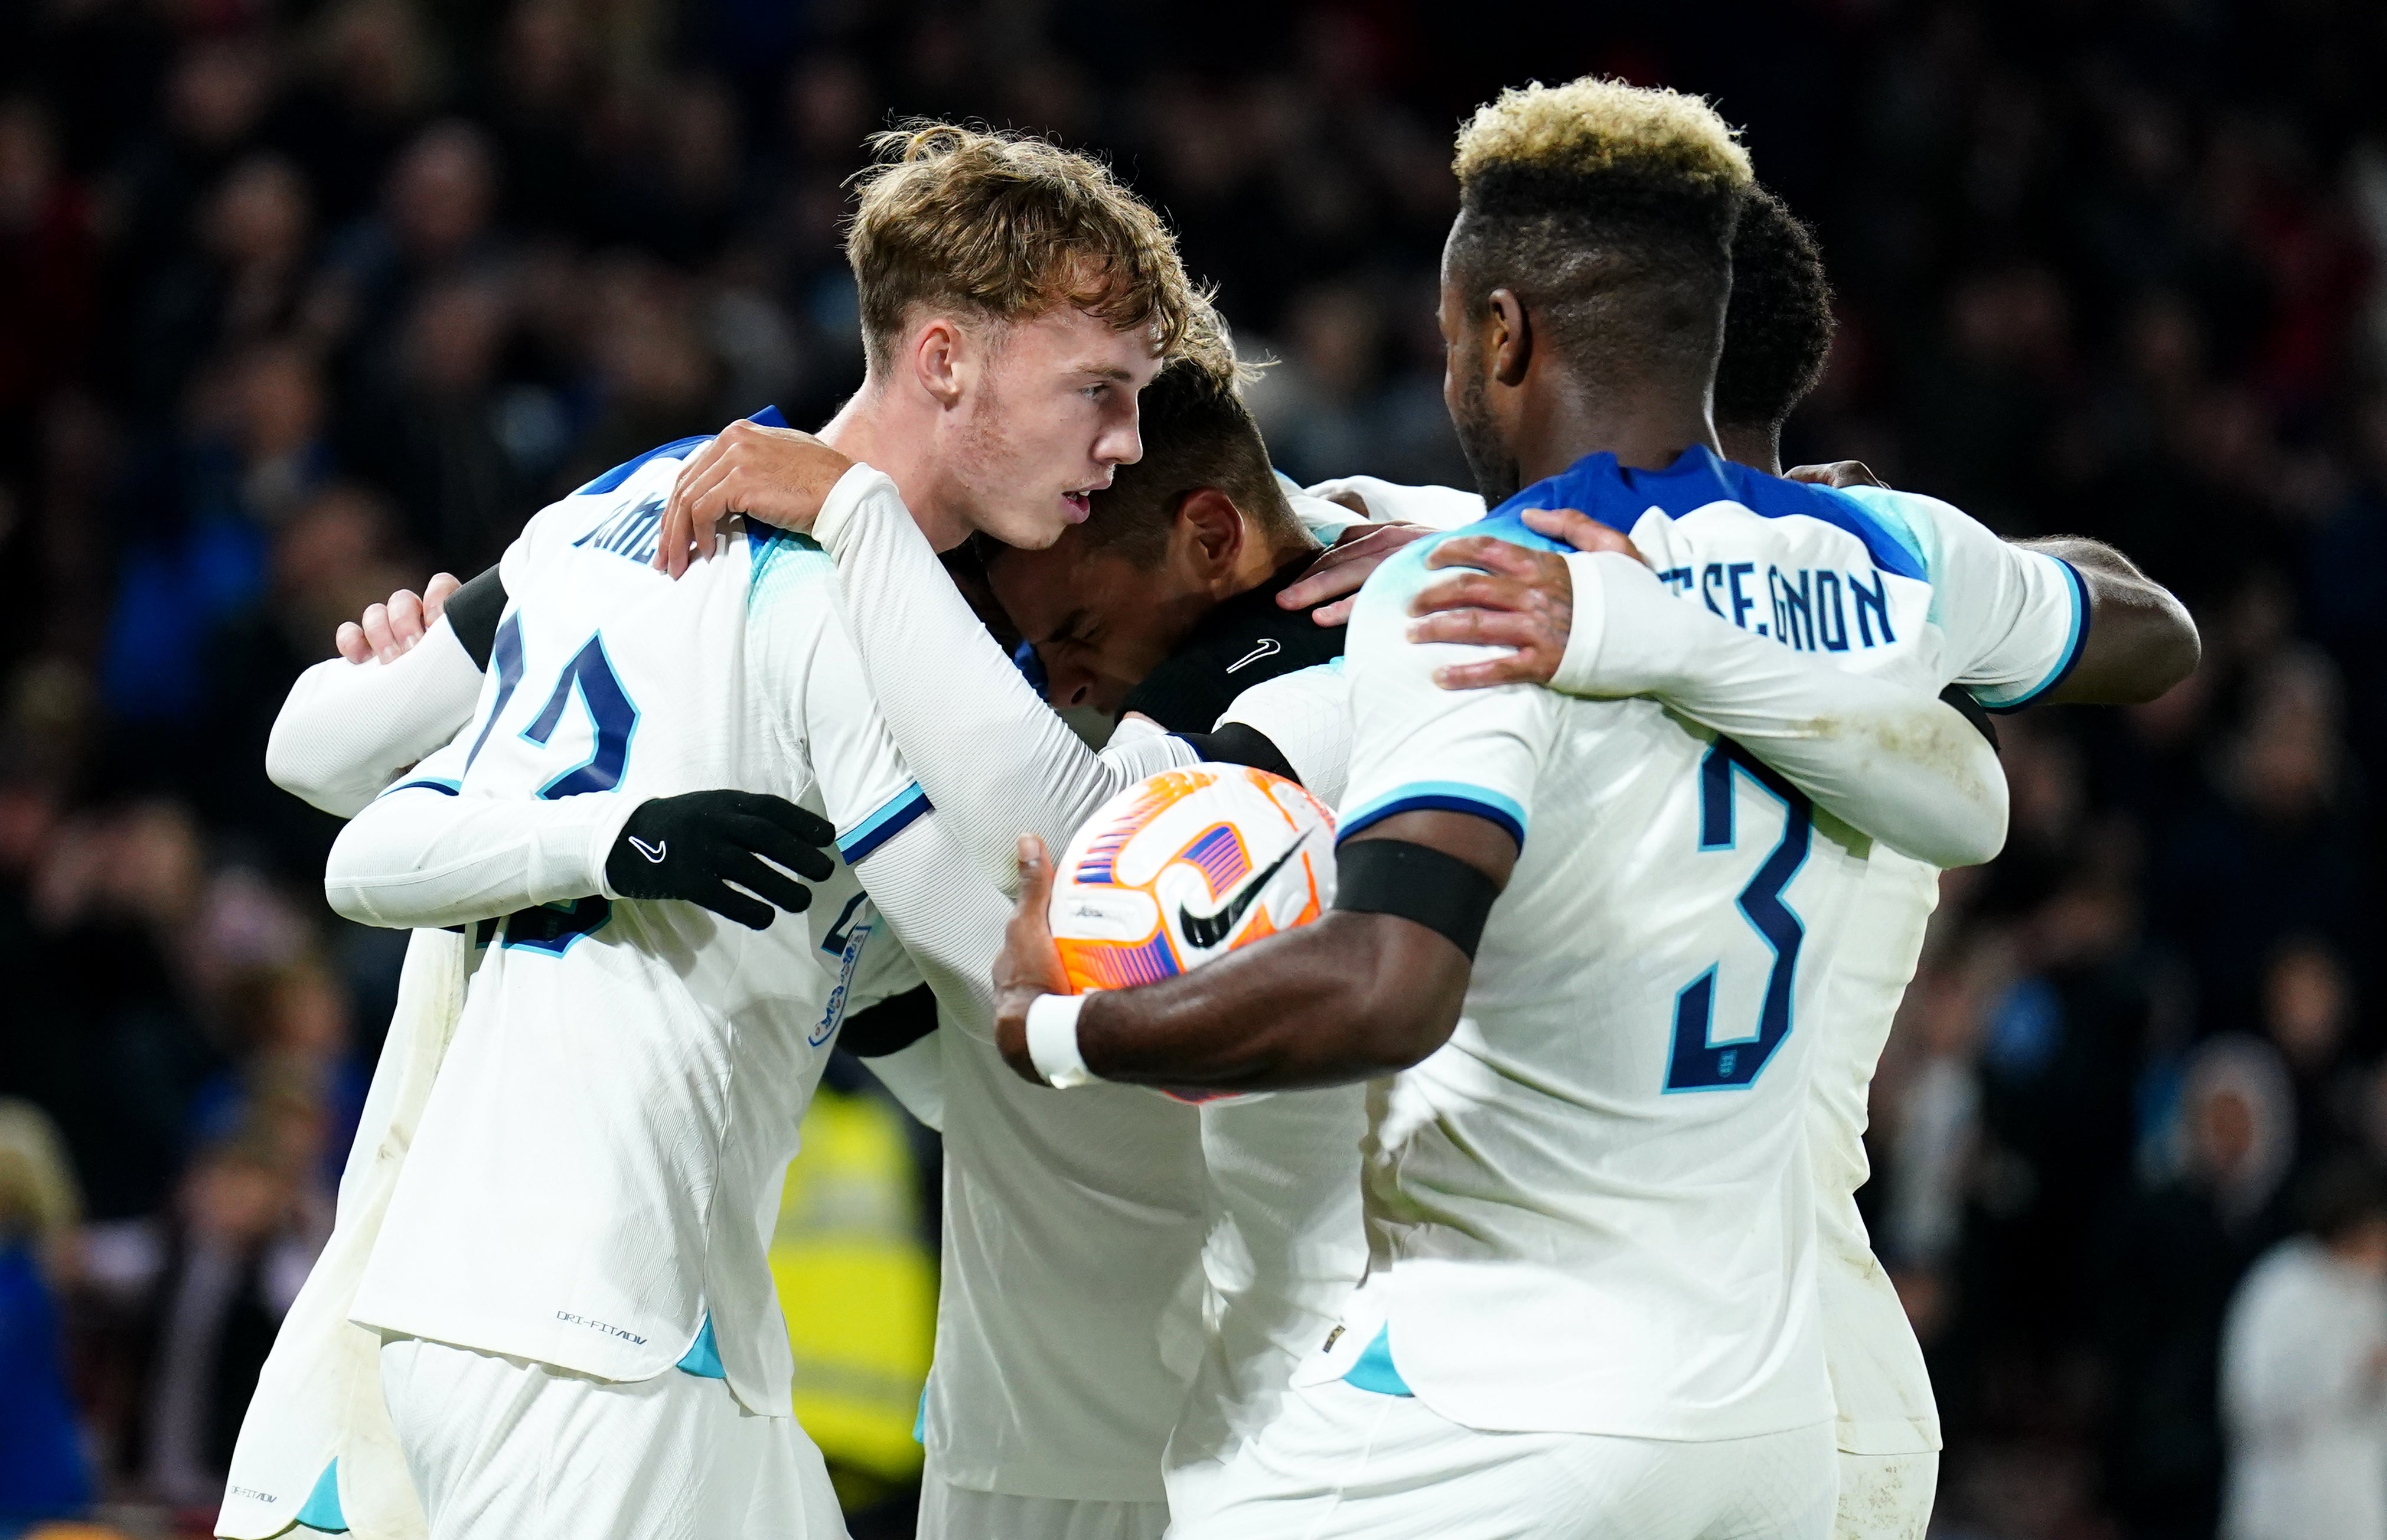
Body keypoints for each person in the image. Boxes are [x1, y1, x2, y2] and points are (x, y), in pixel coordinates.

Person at [980, 76, 2126, 1539]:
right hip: (1800, 1385)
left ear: (1502, 334)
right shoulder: (1892, 572)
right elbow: (2055, 717)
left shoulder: (1474, 600)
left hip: (1513, 1384)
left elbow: (1389, 981)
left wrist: (1052, 1024)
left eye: (1453, 334)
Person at [223, 122, 1201, 1540]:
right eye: (1097, 391)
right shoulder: (843, 606)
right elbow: (995, 937)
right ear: (944, 361)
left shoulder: (618, 501)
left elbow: (313, 749)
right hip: (592, 1320)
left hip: (592, 1315)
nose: (1120, 443)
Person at [1381, 184, 2198, 1540]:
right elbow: (2151, 627)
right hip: (1835, 1352)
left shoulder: (1501, 587)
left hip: (1585, 1354)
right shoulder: (1892, 560)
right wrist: (1957, 562)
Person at [2219, 1159, 2387, 1540]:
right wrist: (2353, 1369)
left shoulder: (2374, 1293)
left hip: (2362, 1506)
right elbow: (2252, 1399)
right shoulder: (2282, 1288)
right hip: (2289, 1501)